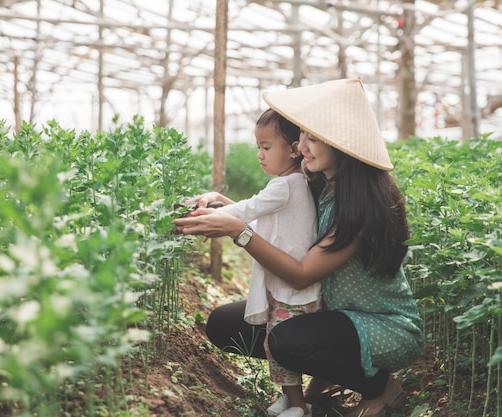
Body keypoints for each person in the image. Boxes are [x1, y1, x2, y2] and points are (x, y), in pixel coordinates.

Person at [173, 78, 425, 417]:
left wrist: (238, 231)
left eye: (313, 137)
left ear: (341, 141)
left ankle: (379, 386)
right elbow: (283, 227)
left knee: (285, 341)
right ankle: (329, 373)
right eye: (302, 135)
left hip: (382, 326)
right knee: (223, 324)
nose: (301, 145)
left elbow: (302, 275)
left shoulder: (361, 208)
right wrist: (225, 208)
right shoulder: (322, 183)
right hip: (331, 311)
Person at [184, 108, 320, 417]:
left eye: (266, 147)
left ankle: (300, 407)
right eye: (258, 147)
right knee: (275, 343)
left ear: (294, 149)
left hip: (292, 290)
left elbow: (248, 211)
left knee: (280, 344)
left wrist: (201, 217)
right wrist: (217, 205)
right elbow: (257, 218)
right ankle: (290, 398)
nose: (259, 155)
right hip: (286, 286)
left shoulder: (285, 185)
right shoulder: (292, 183)